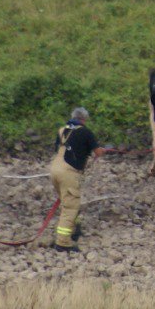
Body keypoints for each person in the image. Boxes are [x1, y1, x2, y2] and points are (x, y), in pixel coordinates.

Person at [49, 107, 104, 253]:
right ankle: (63, 241)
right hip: (69, 172)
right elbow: (98, 152)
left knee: (66, 201)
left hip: (55, 169)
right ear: (84, 119)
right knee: (70, 206)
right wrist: (103, 150)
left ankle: (74, 228)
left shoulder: (62, 130)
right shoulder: (85, 132)